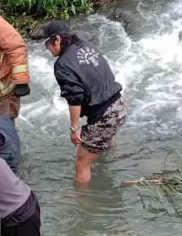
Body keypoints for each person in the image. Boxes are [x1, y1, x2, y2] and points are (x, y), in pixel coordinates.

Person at [41, 21, 127, 187]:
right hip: (119, 104)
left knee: (81, 164)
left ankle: (83, 199)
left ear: (57, 39)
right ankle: (108, 164)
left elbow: (75, 97)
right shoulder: (85, 45)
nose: (46, 48)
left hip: (104, 117)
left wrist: (74, 129)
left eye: (47, 43)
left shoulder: (62, 65)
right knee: (104, 142)